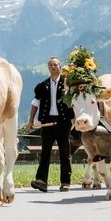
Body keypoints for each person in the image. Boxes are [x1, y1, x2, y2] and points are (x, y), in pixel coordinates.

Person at [26, 56, 74, 192]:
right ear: (48, 68)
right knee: (45, 152)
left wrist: (75, 118)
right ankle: (41, 181)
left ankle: (65, 182)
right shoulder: (42, 86)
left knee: (65, 152)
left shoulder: (68, 84)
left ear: (60, 67)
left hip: (63, 122)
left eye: (55, 64)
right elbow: (35, 104)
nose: (53, 67)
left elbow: (75, 101)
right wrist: (31, 121)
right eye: (51, 65)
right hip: (47, 122)